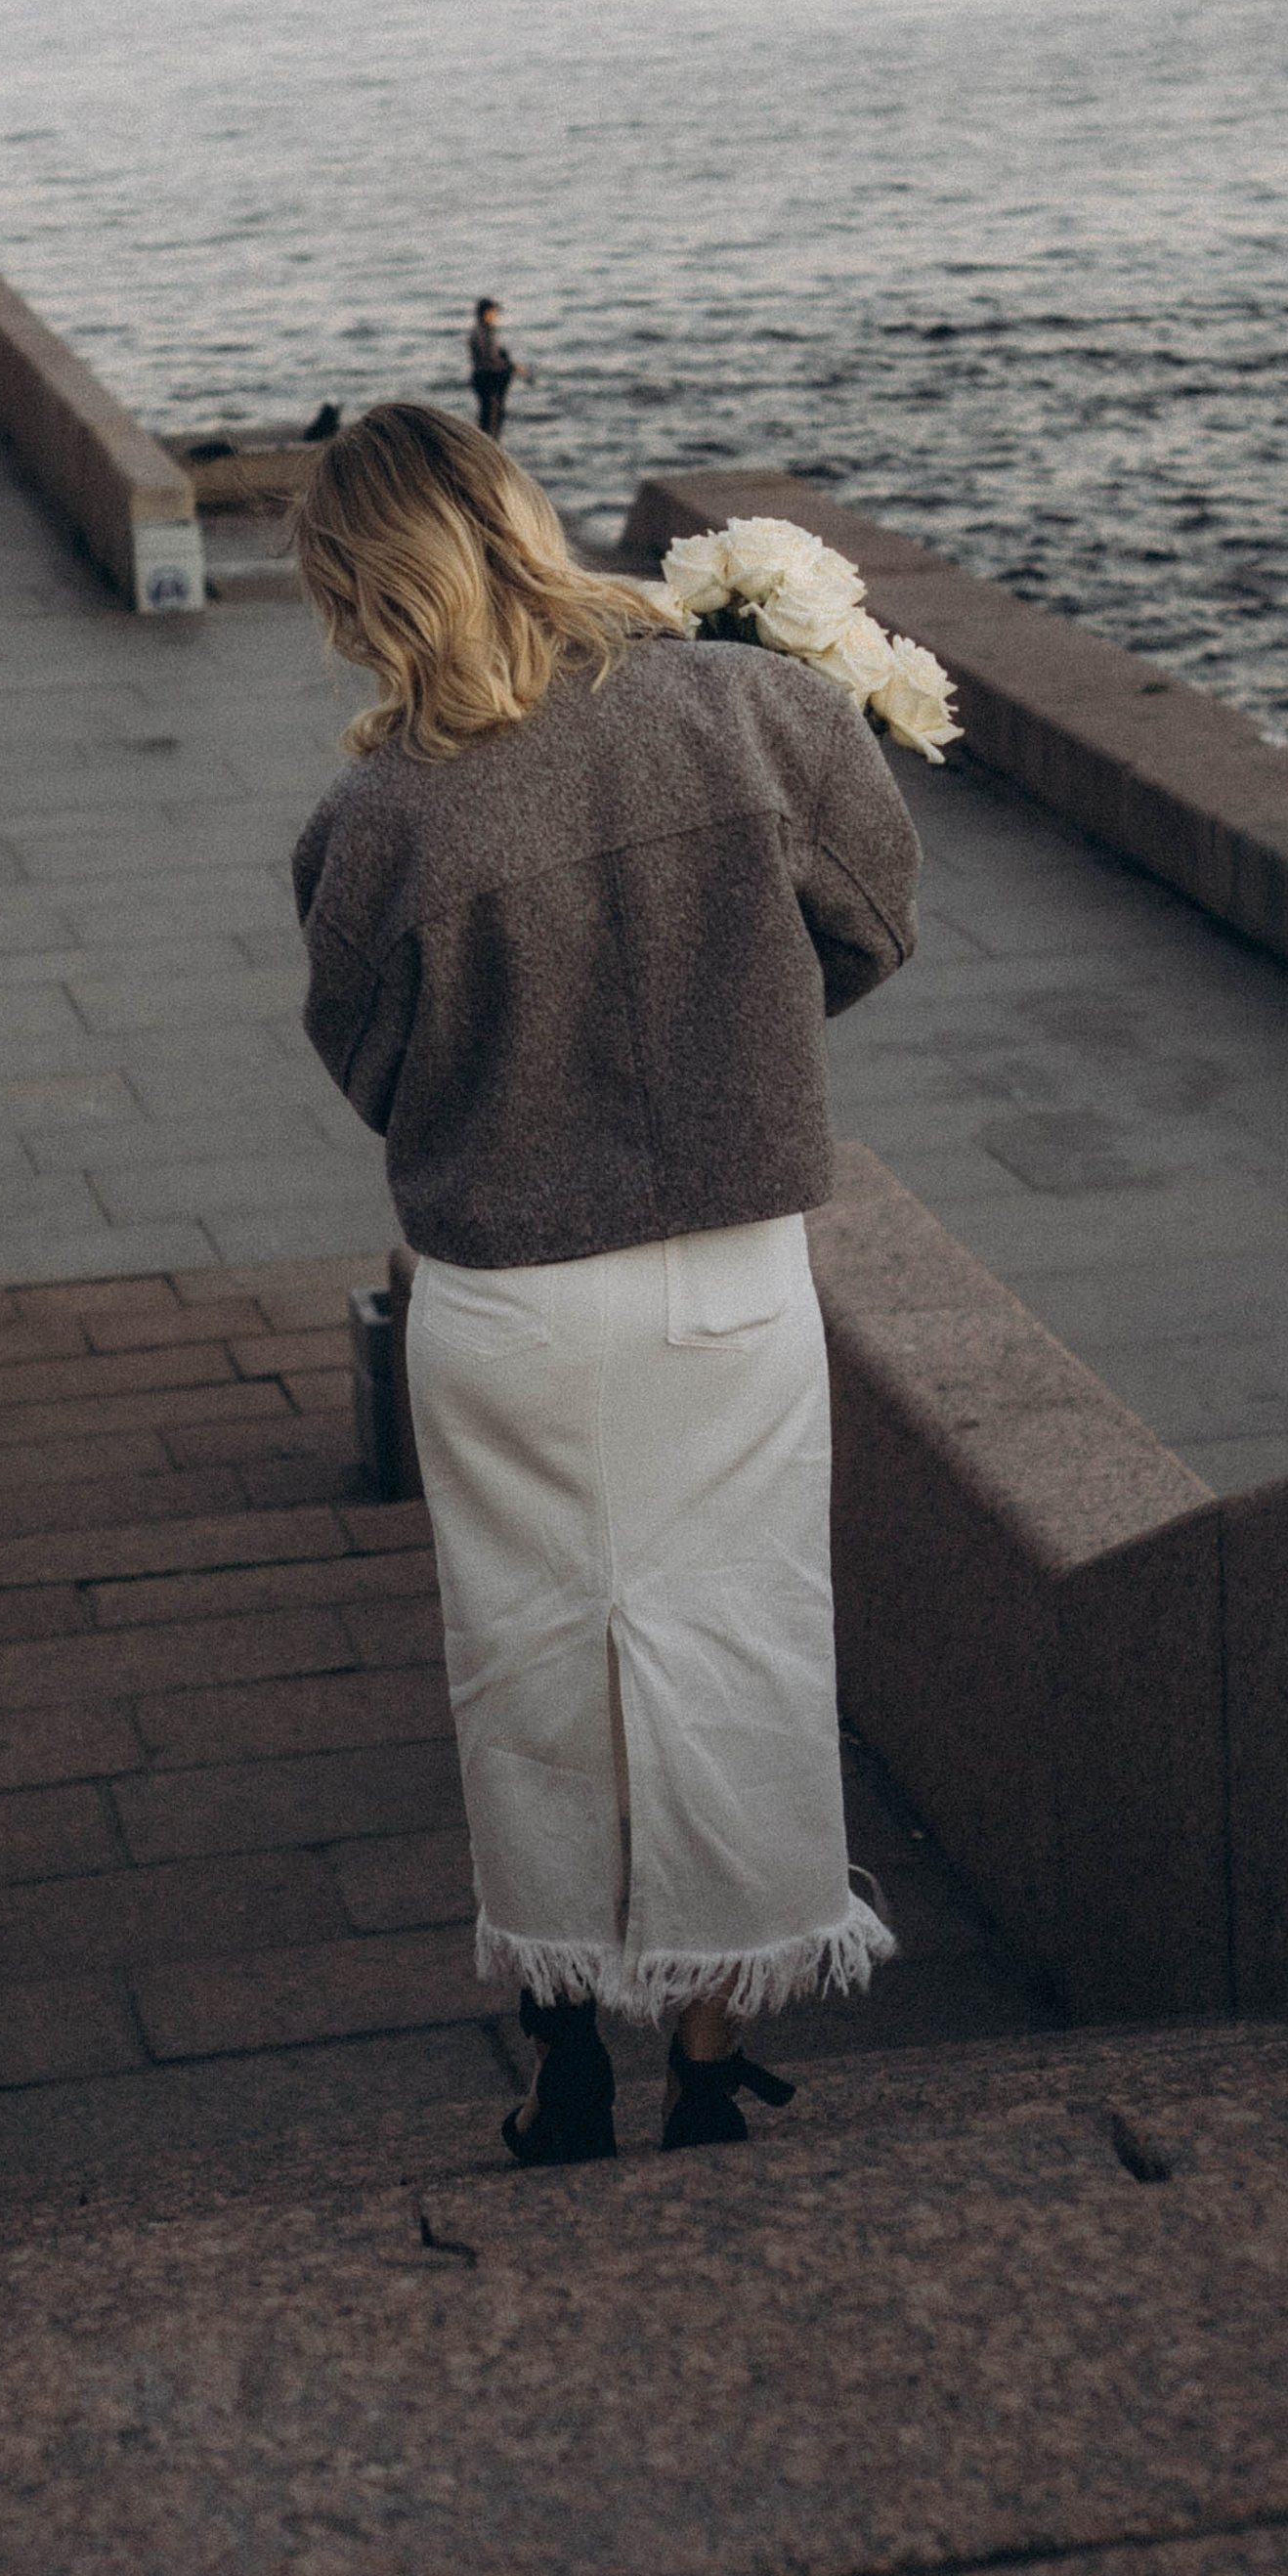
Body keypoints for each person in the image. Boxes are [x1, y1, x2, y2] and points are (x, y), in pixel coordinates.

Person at [290, 405, 921, 2166]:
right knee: (735, 1634)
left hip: (501, 1297)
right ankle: (709, 2068)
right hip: (724, 1272)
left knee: (532, 1659)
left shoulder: (372, 820)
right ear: (517, 514)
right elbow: (871, 925)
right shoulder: (750, 710)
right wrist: (739, 1057)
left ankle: (562, 2053)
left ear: (359, 591)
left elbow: (373, 1066)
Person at [466, 297, 518, 438]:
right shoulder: (482, 333)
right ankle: (488, 450)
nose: (495, 316)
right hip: (487, 379)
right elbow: (490, 360)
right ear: (485, 313)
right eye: (493, 313)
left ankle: (489, 447)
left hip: (487, 378)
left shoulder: (485, 332)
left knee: (491, 417)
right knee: (490, 419)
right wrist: (511, 367)